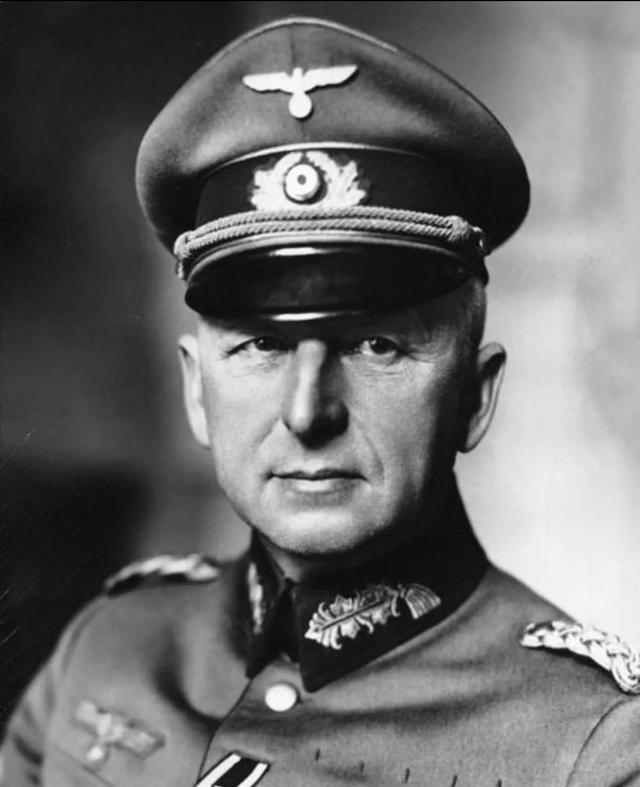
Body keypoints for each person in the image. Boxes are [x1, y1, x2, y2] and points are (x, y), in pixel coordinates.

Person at [3, 15, 640, 787]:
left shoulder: (590, 747)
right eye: (261, 345)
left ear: (475, 397)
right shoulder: (105, 647)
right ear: (197, 390)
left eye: (378, 344)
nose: (308, 412)